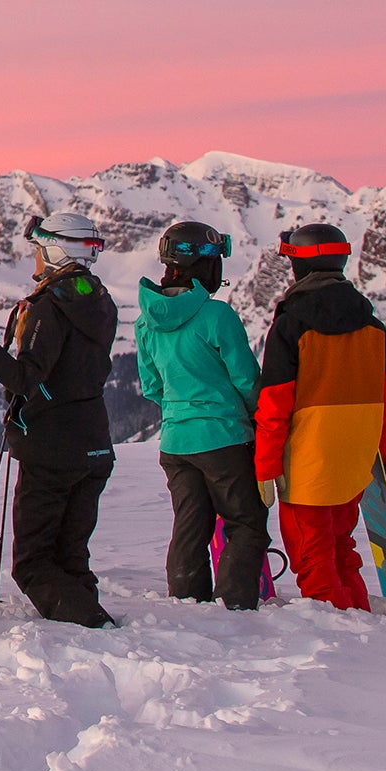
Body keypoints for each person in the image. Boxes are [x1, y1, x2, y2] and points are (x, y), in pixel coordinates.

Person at [0, 213, 119, 628]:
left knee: (33, 564)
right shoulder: (100, 299)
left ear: (57, 251)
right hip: (94, 444)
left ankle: (93, 625)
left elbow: (26, 377)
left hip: (53, 449)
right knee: (70, 554)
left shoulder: (49, 306)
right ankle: (94, 628)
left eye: (40, 250)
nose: (35, 260)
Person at [255, 222, 386, 612]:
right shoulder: (372, 325)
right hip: (354, 463)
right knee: (342, 549)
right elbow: (385, 395)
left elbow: (274, 403)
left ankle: (343, 642)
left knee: (313, 559)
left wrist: (266, 465)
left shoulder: (290, 324)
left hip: (308, 464)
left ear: (299, 267)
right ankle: (360, 619)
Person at [136, 220, 269, 609]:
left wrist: (181, 413)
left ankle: (187, 604)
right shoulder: (217, 317)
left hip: (175, 442)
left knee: (190, 527)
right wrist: (255, 421)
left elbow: (152, 387)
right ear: (205, 264)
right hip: (225, 438)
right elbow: (246, 380)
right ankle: (234, 606)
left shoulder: (146, 321)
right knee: (245, 524)